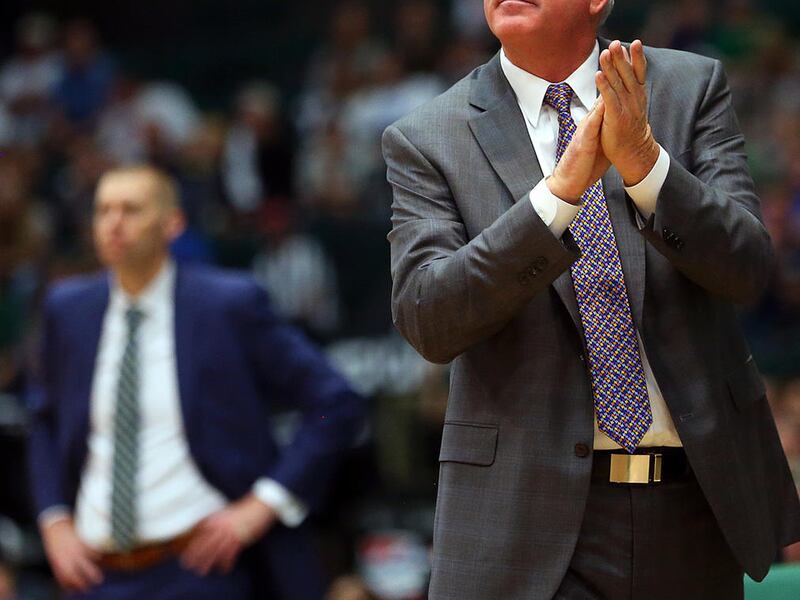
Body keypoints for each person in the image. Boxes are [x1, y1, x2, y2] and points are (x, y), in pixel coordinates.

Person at [382, 0, 800, 598]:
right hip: (527, 520)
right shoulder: (428, 136)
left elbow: (749, 270)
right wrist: (556, 198)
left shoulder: (688, 87)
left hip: (696, 504)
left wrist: (647, 165)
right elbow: (429, 318)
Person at [28, 165, 365, 600]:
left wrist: (263, 504)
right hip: (94, 574)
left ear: (173, 223)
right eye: (103, 210)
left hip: (198, 568)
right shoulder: (68, 309)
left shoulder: (226, 304)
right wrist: (54, 520)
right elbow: (44, 419)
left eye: (131, 209)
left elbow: (335, 401)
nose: (114, 223)